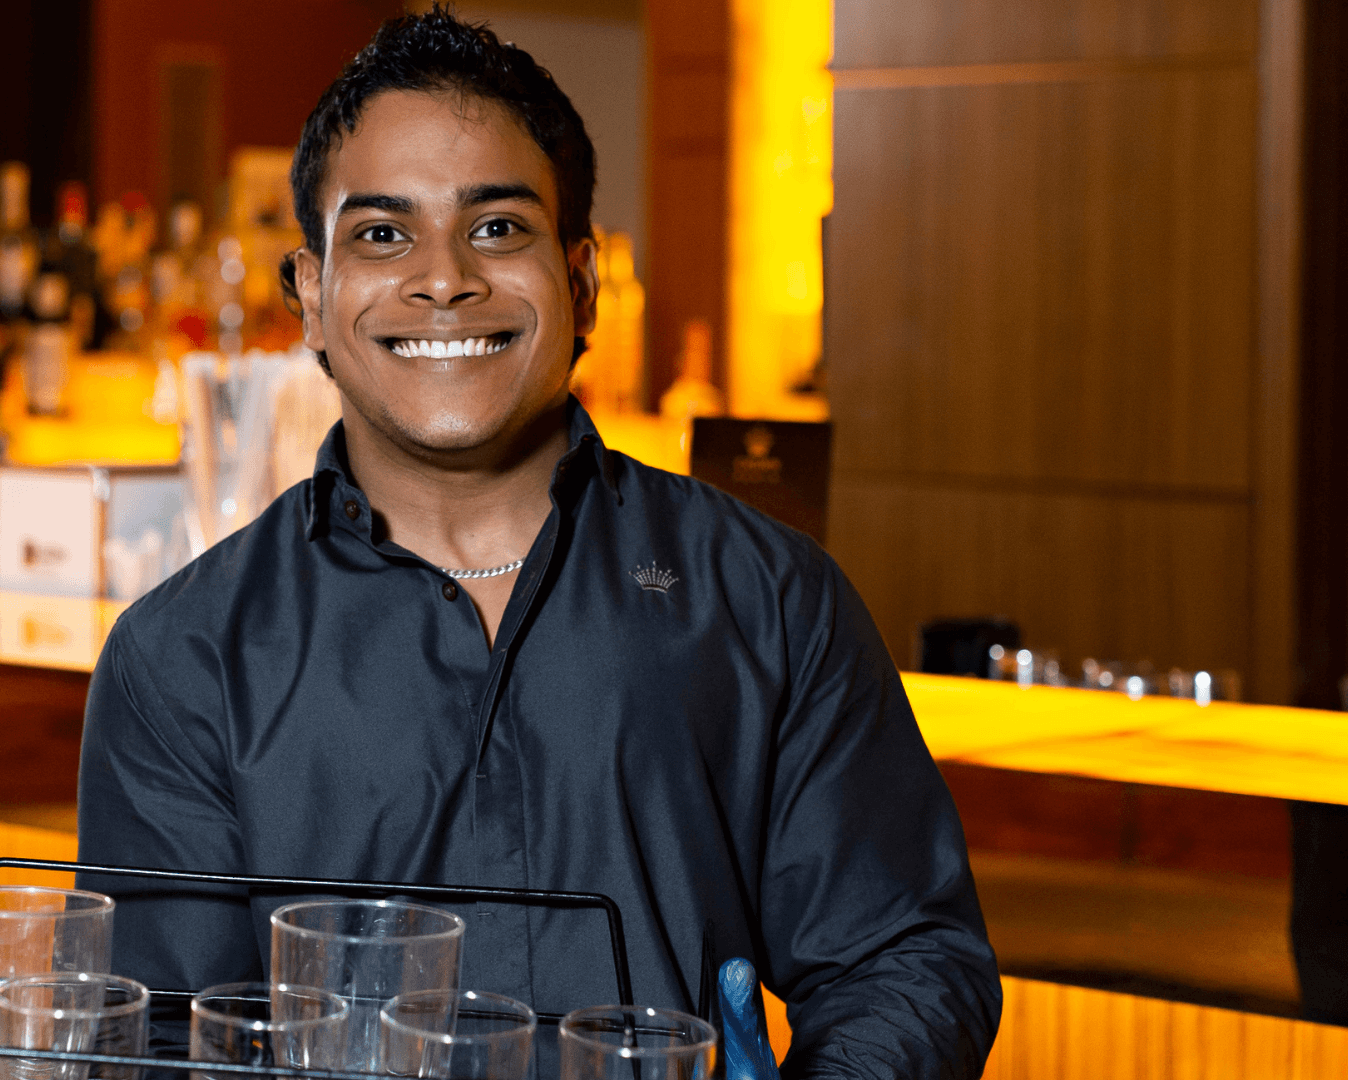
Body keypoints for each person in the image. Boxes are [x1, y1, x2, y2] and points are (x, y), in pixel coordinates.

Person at [77, 8, 1001, 1077]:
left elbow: (904, 958)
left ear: (580, 282)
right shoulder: (182, 658)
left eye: (496, 228)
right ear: (312, 298)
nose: (442, 278)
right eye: (382, 233)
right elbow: (157, 1040)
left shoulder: (765, 597)